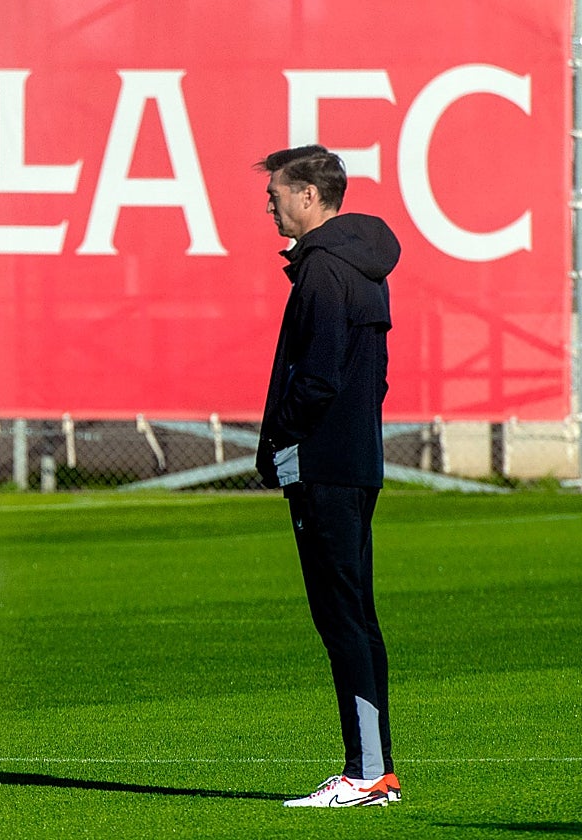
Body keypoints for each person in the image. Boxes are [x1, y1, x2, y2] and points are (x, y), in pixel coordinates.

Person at [253, 145, 402, 808]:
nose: (270, 204)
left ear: (309, 196)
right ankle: (374, 771)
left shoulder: (321, 272)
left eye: (277, 193)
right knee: (356, 617)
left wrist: (279, 437)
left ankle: (367, 774)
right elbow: (377, 377)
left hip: (324, 465)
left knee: (342, 618)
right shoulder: (365, 269)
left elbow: (315, 380)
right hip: (356, 460)